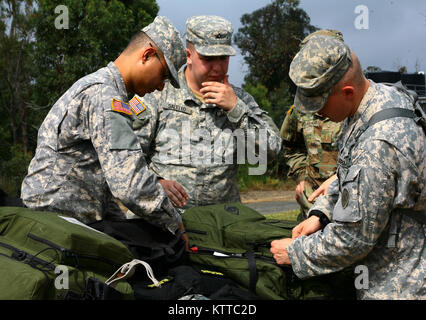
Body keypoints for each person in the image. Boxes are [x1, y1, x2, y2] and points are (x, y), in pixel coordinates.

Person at [270, 34, 425, 299]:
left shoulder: (378, 146)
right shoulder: (374, 102)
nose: (315, 114)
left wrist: (294, 253)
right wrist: (321, 213)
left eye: (319, 105)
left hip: (398, 285)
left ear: (347, 92)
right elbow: (347, 175)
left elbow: (353, 239)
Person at [21, 16, 188, 238]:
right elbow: (129, 184)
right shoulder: (105, 96)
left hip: (64, 222)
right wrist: (174, 224)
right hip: (53, 227)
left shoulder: (105, 90)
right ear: (147, 56)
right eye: (163, 75)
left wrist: (119, 228)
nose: (160, 87)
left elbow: (99, 181)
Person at [130, 15, 282, 209]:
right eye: (208, 59)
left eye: (223, 58)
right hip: (165, 219)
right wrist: (156, 181)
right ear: (188, 55)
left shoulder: (240, 100)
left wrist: (236, 110)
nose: (217, 67)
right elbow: (127, 156)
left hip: (221, 221)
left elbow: (271, 153)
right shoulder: (157, 94)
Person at [280, 30, 343, 220]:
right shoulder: (301, 108)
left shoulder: (357, 105)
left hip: (349, 209)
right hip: (311, 210)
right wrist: (302, 178)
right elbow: (290, 147)